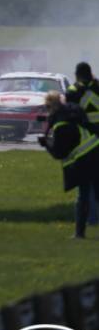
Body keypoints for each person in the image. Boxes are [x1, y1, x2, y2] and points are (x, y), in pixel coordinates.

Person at [39, 91, 99, 238]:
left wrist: (46, 143)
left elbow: (59, 153)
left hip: (85, 158)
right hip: (96, 151)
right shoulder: (73, 110)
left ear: (50, 107)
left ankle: (79, 234)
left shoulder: (61, 124)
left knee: (83, 196)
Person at [66, 62, 99, 225]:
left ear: (77, 75)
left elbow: (70, 117)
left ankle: (89, 220)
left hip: (84, 143)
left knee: (84, 188)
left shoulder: (73, 92)